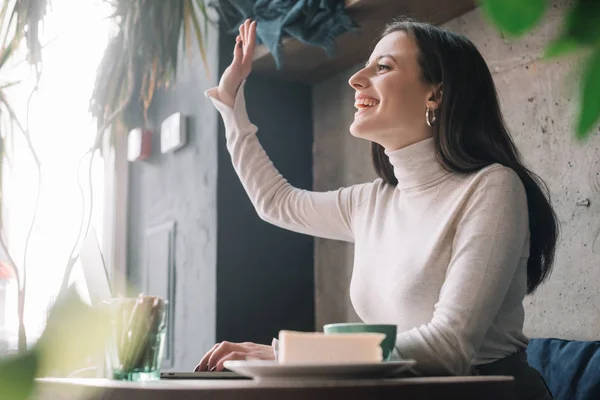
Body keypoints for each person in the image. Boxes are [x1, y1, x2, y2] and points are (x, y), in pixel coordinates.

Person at [198, 18, 557, 400]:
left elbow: (449, 346)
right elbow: (276, 202)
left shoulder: (492, 186)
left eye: (382, 67)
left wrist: (286, 355)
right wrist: (231, 101)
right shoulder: (371, 201)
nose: (357, 79)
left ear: (435, 94)